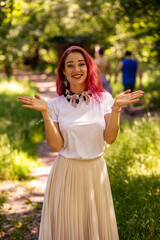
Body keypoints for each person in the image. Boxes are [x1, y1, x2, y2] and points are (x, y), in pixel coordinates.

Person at [18, 46, 144, 240]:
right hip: (66, 173)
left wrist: (117, 107)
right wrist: (45, 113)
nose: (76, 69)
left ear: (88, 68)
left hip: (96, 172)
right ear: (63, 72)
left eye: (81, 64)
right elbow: (56, 146)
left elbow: (110, 138)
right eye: (70, 65)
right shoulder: (54, 104)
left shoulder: (105, 99)